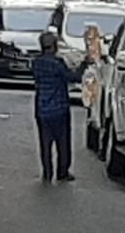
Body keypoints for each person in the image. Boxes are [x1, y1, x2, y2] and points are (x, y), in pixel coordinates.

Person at [30, 31, 91, 183]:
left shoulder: (36, 63)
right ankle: (62, 171)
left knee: (45, 142)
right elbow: (73, 77)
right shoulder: (57, 63)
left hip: (42, 107)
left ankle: (47, 172)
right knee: (63, 142)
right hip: (59, 107)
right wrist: (84, 64)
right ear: (54, 46)